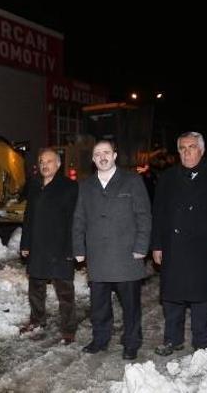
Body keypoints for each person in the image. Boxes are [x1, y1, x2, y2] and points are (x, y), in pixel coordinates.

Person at [151, 131, 207, 355]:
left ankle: (202, 341)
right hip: (174, 247)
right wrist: (157, 245)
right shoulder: (168, 178)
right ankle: (173, 339)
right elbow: (158, 214)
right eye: (182, 148)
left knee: (202, 297)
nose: (186, 152)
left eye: (191, 147)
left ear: (202, 149)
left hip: (204, 248)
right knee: (172, 297)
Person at [72, 140, 151, 360]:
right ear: (93, 159)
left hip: (127, 255)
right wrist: (79, 247)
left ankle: (131, 342)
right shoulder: (85, 185)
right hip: (98, 256)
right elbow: (79, 219)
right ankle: (100, 339)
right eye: (98, 154)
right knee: (99, 305)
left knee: (131, 306)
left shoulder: (132, 181)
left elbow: (144, 216)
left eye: (107, 152)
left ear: (115, 155)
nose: (102, 157)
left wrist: (141, 247)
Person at [20, 148, 80, 344]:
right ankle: (37, 320)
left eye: (49, 161)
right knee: (35, 287)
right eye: (41, 161)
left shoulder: (69, 187)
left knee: (65, 292)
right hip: (38, 245)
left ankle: (69, 330)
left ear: (58, 164)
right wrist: (25, 242)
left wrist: (74, 248)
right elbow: (28, 217)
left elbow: (76, 220)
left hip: (60, 246)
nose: (45, 165)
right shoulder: (35, 186)